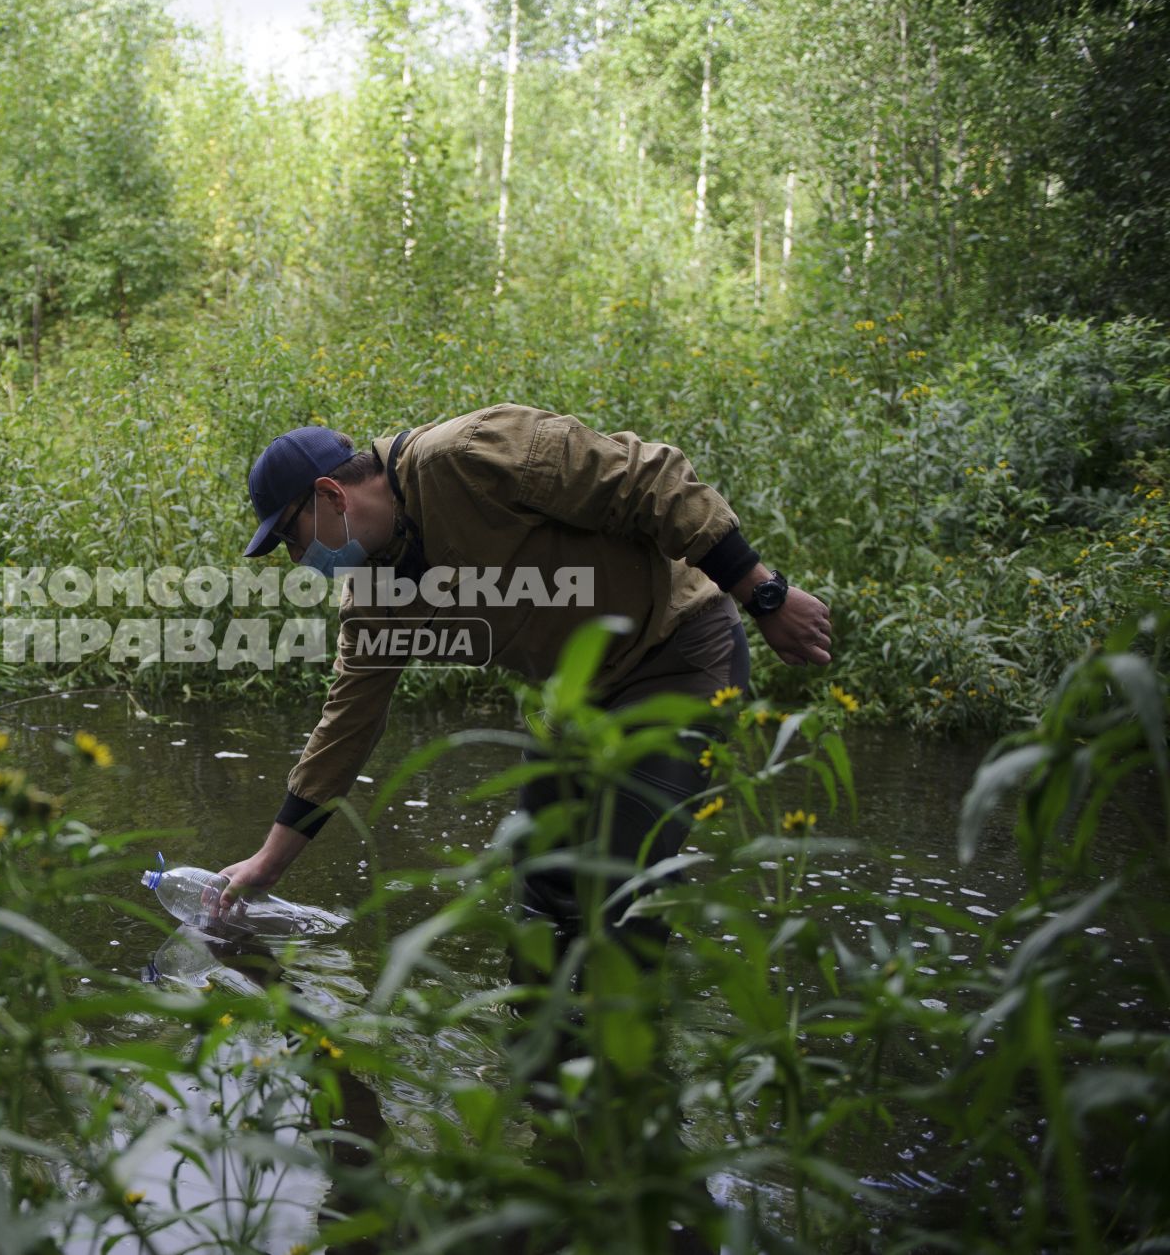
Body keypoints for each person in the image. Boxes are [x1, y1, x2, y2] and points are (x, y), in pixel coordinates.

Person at [213, 404, 834, 983]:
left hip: (680, 653)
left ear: (329, 495)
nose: (299, 559)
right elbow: (347, 726)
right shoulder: (372, 593)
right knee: (540, 903)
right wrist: (266, 865)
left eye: (292, 539)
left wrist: (763, 592)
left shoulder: (468, 456)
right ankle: (541, 1065)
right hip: (575, 699)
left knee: (619, 896)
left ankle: (627, 1073)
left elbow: (651, 477)